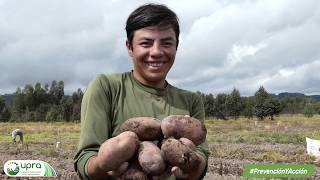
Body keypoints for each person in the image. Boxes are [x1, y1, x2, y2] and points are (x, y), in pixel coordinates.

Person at [74, 3, 209, 180]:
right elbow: (85, 160)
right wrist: (102, 164)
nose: (156, 52)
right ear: (129, 47)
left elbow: (201, 160)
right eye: (146, 43)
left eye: (166, 43)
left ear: (176, 46)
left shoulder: (191, 100)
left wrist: (191, 167)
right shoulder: (106, 87)